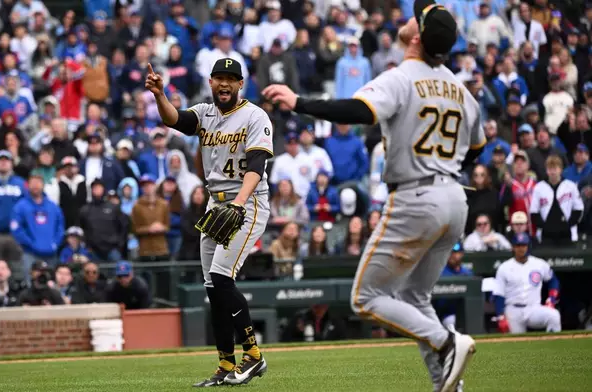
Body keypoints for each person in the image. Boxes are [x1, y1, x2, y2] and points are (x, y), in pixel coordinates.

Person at [262, 1, 481, 389]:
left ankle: (446, 341)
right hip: (454, 200)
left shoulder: (403, 76)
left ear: (417, 36)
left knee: (366, 298)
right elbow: (476, 148)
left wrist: (299, 103)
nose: (409, 18)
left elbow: (357, 111)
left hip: (416, 197)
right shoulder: (460, 89)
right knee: (415, 298)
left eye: (417, 17)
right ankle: (449, 384)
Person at [146, 58, 272, 385]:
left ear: (241, 84)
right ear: (211, 81)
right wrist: (160, 95)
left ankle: (253, 356)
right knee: (213, 289)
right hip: (215, 205)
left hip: (247, 201)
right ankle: (226, 364)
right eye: (219, 78)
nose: (225, 84)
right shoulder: (205, 113)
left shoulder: (255, 116)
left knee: (221, 277)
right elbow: (175, 119)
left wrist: (240, 204)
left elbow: (256, 166)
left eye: (231, 78)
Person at [493, 233, 561, 334]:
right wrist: (500, 316)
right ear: (513, 247)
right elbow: (499, 294)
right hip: (513, 310)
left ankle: (553, 345)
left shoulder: (539, 264)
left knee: (554, 315)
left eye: (524, 245)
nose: (521, 249)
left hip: (534, 308)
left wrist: (551, 298)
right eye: (518, 245)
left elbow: (553, 280)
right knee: (514, 343)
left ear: (528, 246)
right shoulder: (504, 267)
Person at [10, 171, 65, 283]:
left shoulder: (53, 206)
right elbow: (16, 228)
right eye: (33, 182)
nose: (35, 185)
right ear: (28, 185)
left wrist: (55, 243)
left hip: (51, 253)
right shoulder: (20, 206)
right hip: (30, 253)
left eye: (38, 182)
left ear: (43, 185)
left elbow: (60, 227)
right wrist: (31, 244)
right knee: (31, 283)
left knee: (52, 284)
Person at [530, 155, 583, 246]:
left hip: (567, 234)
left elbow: (579, 209)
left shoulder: (570, 186)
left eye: (555, 168)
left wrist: (568, 224)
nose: (553, 172)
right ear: (546, 170)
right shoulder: (539, 188)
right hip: (546, 236)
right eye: (550, 168)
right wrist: (544, 226)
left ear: (561, 169)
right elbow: (534, 212)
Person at [79, 179, 129, 262]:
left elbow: (124, 226)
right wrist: (88, 246)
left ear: (103, 189)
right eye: (95, 188)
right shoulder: (85, 210)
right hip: (93, 250)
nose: (97, 190)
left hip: (112, 249)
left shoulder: (114, 208)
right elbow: (82, 228)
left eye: (99, 187)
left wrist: (120, 244)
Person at [131, 174, 170, 261]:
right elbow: (134, 229)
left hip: (161, 249)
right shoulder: (137, 206)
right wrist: (149, 229)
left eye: (150, 184)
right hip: (145, 250)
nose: (147, 187)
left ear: (155, 186)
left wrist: (161, 227)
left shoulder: (164, 204)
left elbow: (167, 226)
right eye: (144, 185)